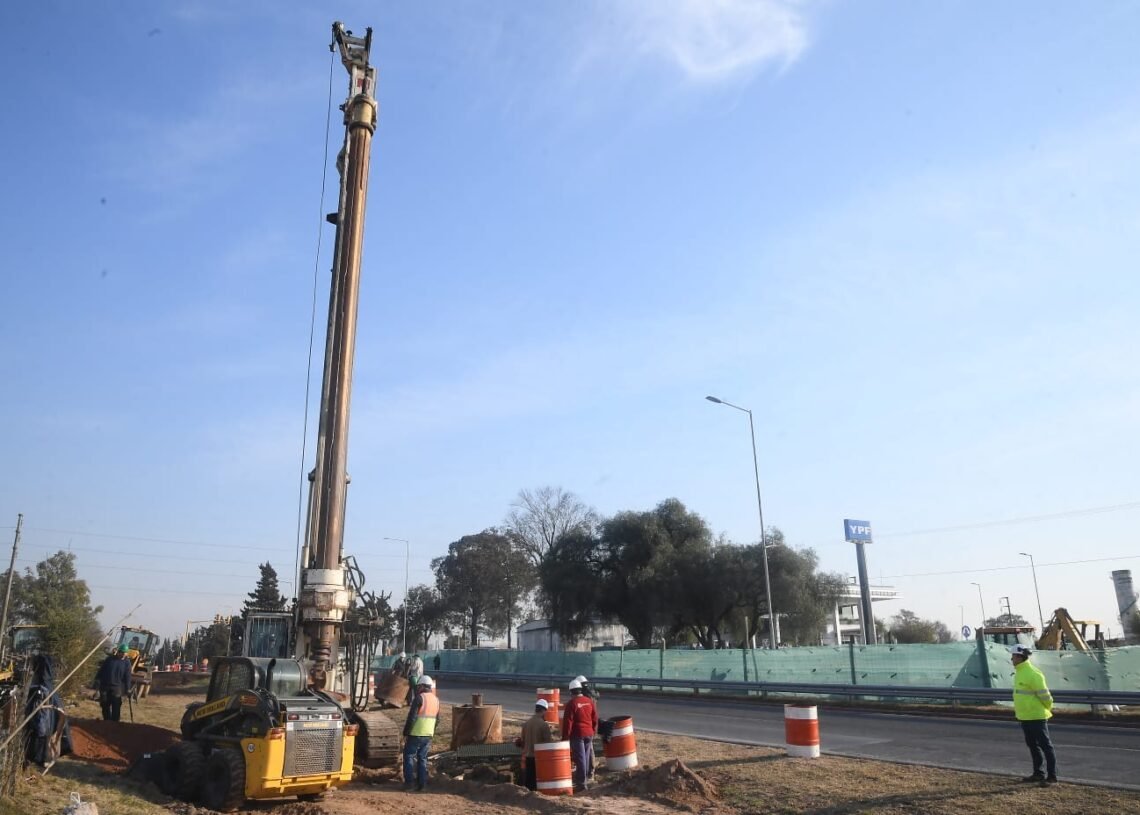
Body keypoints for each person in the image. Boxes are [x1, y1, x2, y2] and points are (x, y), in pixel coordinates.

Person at [1011, 644, 1057, 785]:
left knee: (1046, 746)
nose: (1011, 659)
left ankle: (1052, 777)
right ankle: (1038, 773)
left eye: (1013, 656)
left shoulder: (1033, 673)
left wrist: (1047, 708)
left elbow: (1045, 696)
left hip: (1037, 717)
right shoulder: (1020, 672)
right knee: (1033, 746)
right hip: (1025, 717)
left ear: (1019, 657)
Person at [402, 675, 439, 792]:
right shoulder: (436, 700)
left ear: (422, 686)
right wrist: (431, 730)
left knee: (409, 756)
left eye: (418, 686)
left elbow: (411, 718)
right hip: (428, 734)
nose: (417, 688)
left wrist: (406, 732)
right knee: (422, 758)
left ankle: (410, 784)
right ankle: (422, 784)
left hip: (415, 733)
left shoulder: (419, 698)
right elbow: (438, 720)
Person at [562, 678, 598, 791]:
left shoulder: (571, 704)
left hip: (578, 734)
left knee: (581, 758)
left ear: (571, 691)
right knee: (586, 757)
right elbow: (595, 717)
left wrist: (565, 738)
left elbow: (568, 722)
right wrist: (593, 730)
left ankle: (582, 784)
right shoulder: (589, 701)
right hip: (589, 733)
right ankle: (585, 779)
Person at [516, 699, 555, 791]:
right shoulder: (543, 725)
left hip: (528, 756)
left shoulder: (526, 724)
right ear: (544, 710)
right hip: (539, 758)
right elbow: (547, 743)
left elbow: (523, 741)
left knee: (529, 781)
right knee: (538, 782)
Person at [94, 644, 133, 721]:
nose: (122, 654)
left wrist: (128, 688)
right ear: (118, 651)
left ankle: (115, 723)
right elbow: (101, 670)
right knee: (104, 704)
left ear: (126, 653)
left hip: (117, 687)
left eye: (124, 653)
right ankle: (107, 720)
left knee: (116, 705)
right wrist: (97, 679)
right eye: (121, 652)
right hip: (105, 685)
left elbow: (128, 676)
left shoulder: (127, 663)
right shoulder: (109, 659)